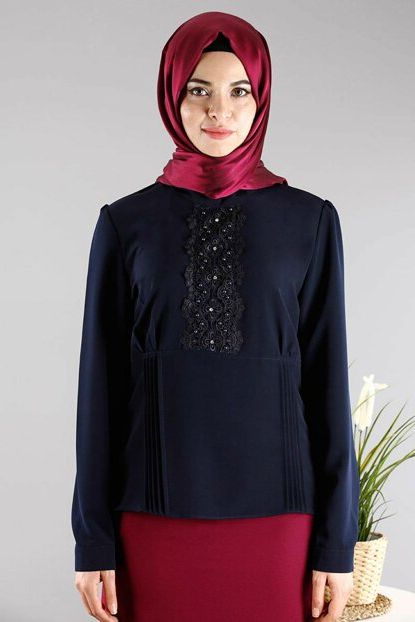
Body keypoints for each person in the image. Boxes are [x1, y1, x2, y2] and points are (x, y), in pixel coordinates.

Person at [72, 10, 359, 622]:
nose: (218, 111)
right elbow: (100, 391)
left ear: (261, 99)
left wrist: (338, 544)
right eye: (198, 90)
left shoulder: (310, 220)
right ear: (172, 96)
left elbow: (327, 387)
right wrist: (91, 539)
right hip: (151, 512)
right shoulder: (125, 223)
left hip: (281, 517)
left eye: (239, 91)